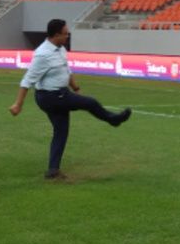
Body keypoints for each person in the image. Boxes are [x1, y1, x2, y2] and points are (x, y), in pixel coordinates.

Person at [9, 18, 132, 180]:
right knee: (91, 103)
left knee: (61, 132)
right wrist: (18, 104)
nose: (68, 36)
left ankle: (53, 170)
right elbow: (27, 80)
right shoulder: (42, 54)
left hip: (59, 94)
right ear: (56, 35)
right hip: (51, 97)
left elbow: (67, 71)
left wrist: (76, 88)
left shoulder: (60, 49)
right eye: (65, 34)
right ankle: (113, 119)